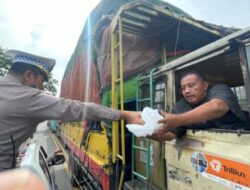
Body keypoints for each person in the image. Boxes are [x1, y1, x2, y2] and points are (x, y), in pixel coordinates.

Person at [0, 50, 143, 171]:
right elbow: (75, 108)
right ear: (29, 75)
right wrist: (124, 114)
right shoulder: (27, 97)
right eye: (42, 81)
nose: (42, 88)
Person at [152, 71, 249, 141]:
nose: (186, 91)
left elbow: (217, 107)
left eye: (191, 85)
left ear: (205, 85)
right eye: (183, 88)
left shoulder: (219, 89)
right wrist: (144, 132)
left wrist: (179, 119)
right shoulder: (180, 107)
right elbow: (170, 135)